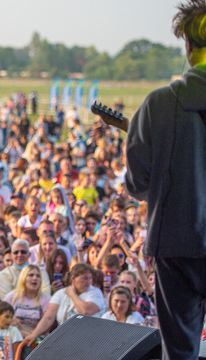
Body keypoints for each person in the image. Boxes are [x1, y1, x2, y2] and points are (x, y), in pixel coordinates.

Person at [125, 1, 206, 358]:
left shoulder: (157, 105)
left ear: (188, 47)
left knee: (179, 351)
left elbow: (137, 185)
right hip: (175, 248)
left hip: (175, 247)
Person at [21, 264, 106, 346]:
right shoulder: (60, 294)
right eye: (85, 278)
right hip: (65, 340)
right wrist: (34, 334)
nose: (88, 282)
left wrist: (72, 294)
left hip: (89, 340)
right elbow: (48, 317)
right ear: (73, 278)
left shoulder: (95, 292)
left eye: (90, 278)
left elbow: (86, 311)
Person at [3, 265, 50, 338]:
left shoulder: (47, 299)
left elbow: (48, 323)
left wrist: (33, 334)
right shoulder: (11, 297)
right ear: (23, 278)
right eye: (31, 275)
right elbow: (1, 319)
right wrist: (10, 319)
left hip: (38, 339)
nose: (35, 278)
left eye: (38, 276)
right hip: (14, 338)